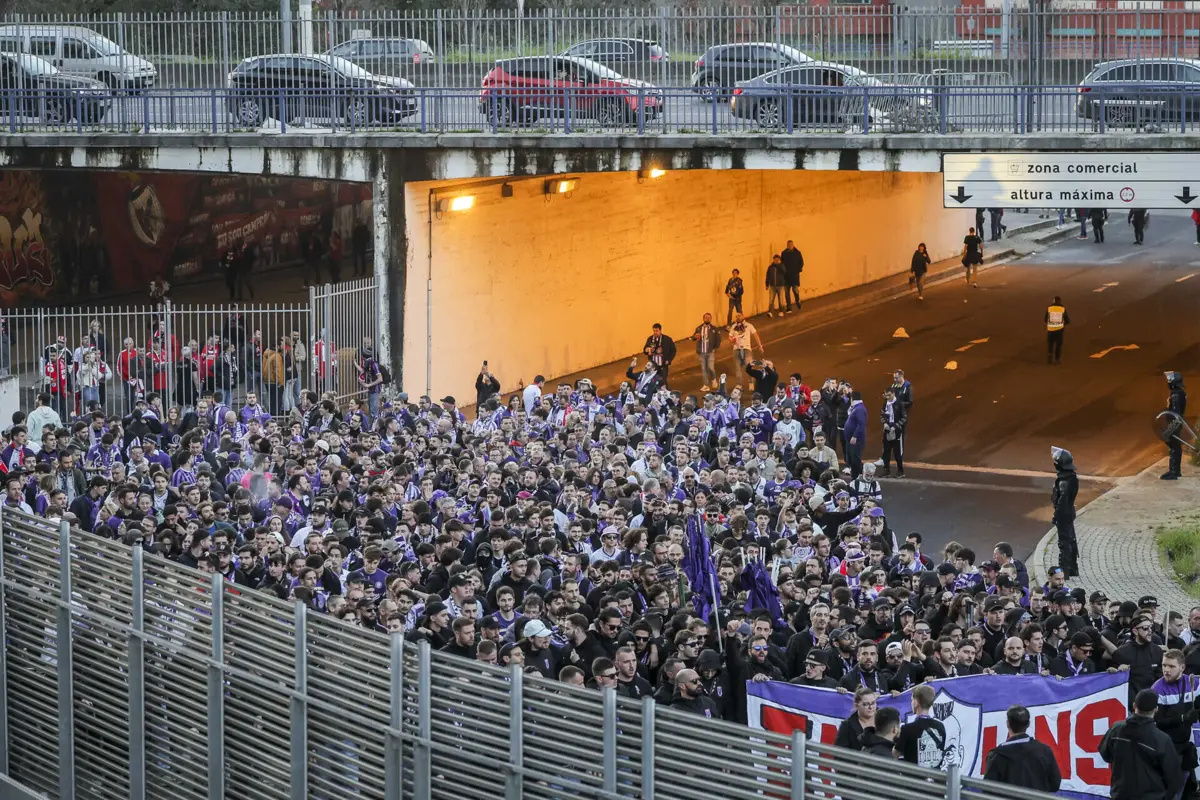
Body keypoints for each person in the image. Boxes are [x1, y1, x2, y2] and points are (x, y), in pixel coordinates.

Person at [1099, 689, 1185, 800]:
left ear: (1134, 705)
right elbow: (1174, 779)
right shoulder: (1162, 739)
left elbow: (1105, 754)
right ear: (1156, 709)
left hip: (1119, 795)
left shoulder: (1116, 729)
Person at [1152, 649, 1200, 798]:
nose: (1166, 670)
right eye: (1164, 665)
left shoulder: (1194, 684)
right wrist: (1183, 718)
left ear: (1182, 668)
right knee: (1172, 790)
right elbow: (1157, 722)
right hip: (1167, 748)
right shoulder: (1157, 689)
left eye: (1171, 666)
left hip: (1186, 745)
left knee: (1187, 789)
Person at [983, 705, 1062, 791]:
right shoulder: (1045, 751)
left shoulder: (996, 755)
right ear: (1028, 724)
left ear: (1007, 724)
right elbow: (1054, 785)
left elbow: (988, 790)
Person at [895, 684, 946, 768]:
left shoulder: (907, 729)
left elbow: (894, 756)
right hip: (936, 778)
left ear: (916, 702)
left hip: (914, 779)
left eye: (912, 700)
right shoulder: (940, 727)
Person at [1050, 446, 1079, 578]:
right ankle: (1073, 569)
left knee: (1064, 543)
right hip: (1069, 512)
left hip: (1064, 514)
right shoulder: (1071, 477)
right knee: (1071, 540)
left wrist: (1056, 516)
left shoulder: (1064, 480)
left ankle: (1064, 572)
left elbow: (1061, 500)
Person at [834, 687, 877, 751]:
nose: (871, 707)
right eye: (866, 704)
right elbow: (839, 752)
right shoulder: (847, 725)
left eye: (873, 703)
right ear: (857, 706)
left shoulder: (883, 720)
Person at [727, 313, 763, 389]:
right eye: (737, 316)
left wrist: (760, 346)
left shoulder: (749, 325)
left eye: (740, 315)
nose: (738, 317)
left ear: (743, 316)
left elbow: (755, 335)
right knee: (738, 368)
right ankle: (739, 384)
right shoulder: (733, 327)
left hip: (747, 349)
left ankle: (751, 383)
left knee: (749, 366)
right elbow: (730, 337)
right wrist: (731, 340)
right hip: (736, 349)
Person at [1162, 371, 1187, 480]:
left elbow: (1175, 412)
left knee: (1175, 447)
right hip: (1175, 422)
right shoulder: (1178, 392)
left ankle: (1174, 472)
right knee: (1173, 446)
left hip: (1175, 423)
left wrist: (1171, 427)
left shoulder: (1176, 394)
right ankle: (1174, 470)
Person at [879, 386, 906, 479]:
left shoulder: (899, 404)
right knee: (886, 451)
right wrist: (885, 423)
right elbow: (882, 415)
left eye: (889, 395)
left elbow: (904, 418)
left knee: (897, 452)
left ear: (893, 394)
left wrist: (895, 426)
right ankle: (886, 470)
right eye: (886, 395)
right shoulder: (885, 403)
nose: (887, 397)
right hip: (887, 430)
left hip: (897, 431)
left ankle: (900, 470)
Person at [692, 313, 722, 391]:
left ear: (711, 319)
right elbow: (694, 337)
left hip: (710, 352)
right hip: (701, 352)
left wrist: (715, 348)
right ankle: (705, 385)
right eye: (706, 317)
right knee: (703, 369)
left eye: (709, 318)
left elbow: (718, 339)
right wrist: (694, 337)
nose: (707, 319)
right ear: (703, 319)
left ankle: (713, 379)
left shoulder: (714, 329)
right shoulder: (699, 328)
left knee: (710, 367)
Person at [844, 390, 867, 478]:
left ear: (852, 399)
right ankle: (854, 478)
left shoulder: (859, 408)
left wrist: (855, 436)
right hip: (850, 439)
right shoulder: (855, 408)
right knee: (852, 459)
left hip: (856, 440)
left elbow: (861, 424)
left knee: (855, 459)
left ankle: (865, 474)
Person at [1045, 296, 1069, 365]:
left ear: (1053, 301)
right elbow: (1067, 320)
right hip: (1059, 330)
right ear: (1059, 301)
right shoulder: (1062, 309)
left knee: (1050, 344)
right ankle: (1057, 359)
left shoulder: (1049, 308)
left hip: (1050, 330)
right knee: (1058, 345)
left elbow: (1045, 319)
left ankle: (1050, 356)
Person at [781, 239, 803, 313]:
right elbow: (782, 264)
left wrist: (798, 270)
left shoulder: (797, 253)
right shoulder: (783, 253)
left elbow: (801, 262)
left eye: (791, 245)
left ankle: (797, 300)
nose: (790, 246)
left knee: (795, 290)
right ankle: (789, 307)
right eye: (788, 245)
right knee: (787, 292)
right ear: (787, 246)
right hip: (786, 276)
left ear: (793, 245)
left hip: (794, 275)